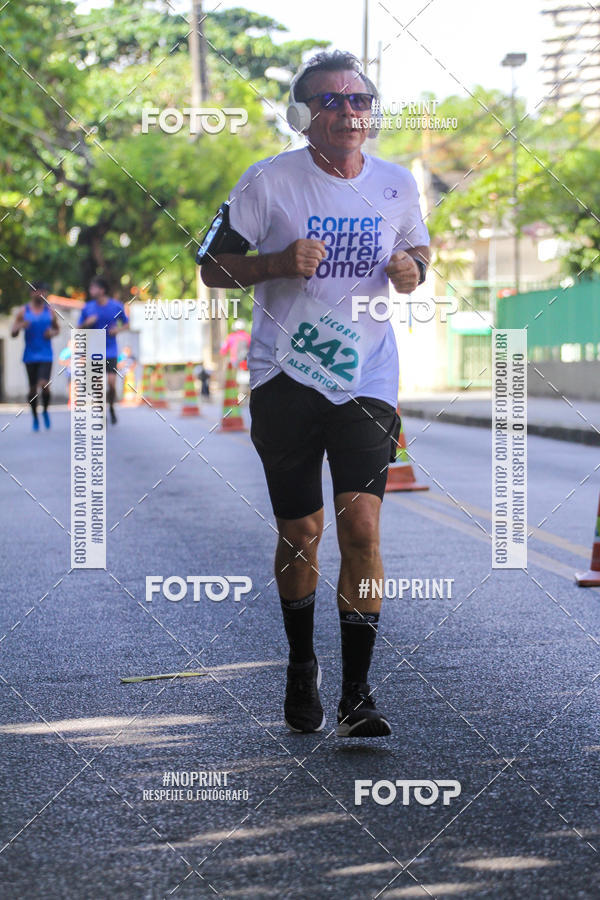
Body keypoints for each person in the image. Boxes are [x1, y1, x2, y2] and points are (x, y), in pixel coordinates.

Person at [200, 50, 430, 737]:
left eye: (359, 101)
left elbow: (421, 252)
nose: (348, 113)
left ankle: (358, 693)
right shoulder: (268, 182)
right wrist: (274, 262)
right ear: (304, 117)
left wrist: (411, 269)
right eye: (331, 102)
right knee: (302, 533)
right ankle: (303, 666)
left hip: (367, 378)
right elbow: (211, 267)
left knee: (361, 528)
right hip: (285, 378)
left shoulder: (395, 184)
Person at [78, 277, 129, 424]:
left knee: (112, 383)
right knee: (98, 385)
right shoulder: (87, 308)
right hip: (94, 350)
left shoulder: (116, 306)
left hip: (111, 350)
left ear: (102, 290)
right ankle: (101, 413)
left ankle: (111, 406)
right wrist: (87, 323)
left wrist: (117, 329)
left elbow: (126, 324)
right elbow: (78, 328)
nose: (91, 291)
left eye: (93, 288)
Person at [11, 281, 59, 431]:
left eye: (43, 291)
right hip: (30, 356)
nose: (41, 294)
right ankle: (35, 417)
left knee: (44, 384)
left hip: (46, 355)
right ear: (32, 293)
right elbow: (13, 333)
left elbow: (57, 329)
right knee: (32, 390)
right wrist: (20, 326)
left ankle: (44, 411)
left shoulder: (50, 311)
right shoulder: (23, 312)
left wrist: (52, 333)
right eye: (38, 291)